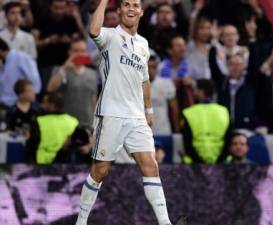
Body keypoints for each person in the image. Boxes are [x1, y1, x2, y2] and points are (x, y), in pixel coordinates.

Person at [75, 1, 175, 225]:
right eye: (126, 5)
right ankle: (81, 221)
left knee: (150, 165)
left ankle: (165, 222)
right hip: (110, 113)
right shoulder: (109, 36)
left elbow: (145, 79)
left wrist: (148, 110)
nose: (131, 8)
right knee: (100, 170)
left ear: (140, 11)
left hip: (137, 116)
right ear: (119, 11)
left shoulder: (143, 44)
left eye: (135, 5)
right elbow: (93, 31)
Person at [47, 38, 98, 126]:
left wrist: (95, 121)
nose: (80, 54)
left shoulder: (93, 73)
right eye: (76, 51)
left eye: (83, 51)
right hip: (66, 123)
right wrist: (64, 67)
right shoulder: (61, 71)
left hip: (88, 122)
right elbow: (50, 89)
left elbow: (93, 99)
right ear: (70, 52)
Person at [182, 79, 230, 164]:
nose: (194, 92)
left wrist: (200, 163)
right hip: (221, 163)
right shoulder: (224, 111)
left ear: (201, 91)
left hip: (194, 164)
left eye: (195, 89)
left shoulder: (188, 112)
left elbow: (187, 142)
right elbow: (228, 140)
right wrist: (218, 162)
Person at [26, 92, 79, 164]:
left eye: (44, 102)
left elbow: (31, 146)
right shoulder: (74, 122)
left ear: (52, 105)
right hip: (67, 163)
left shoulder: (39, 121)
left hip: (42, 162)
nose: (42, 105)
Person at [0, 38, 41, 107]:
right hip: (5, 105)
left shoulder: (21, 57)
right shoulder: (2, 64)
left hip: (21, 105)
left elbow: (34, 79)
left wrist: (30, 100)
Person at [149, 53, 180, 134]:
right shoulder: (135, 85)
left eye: (153, 67)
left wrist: (176, 128)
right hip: (144, 133)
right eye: (148, 67)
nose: (150, 70)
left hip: (163, 131)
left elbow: (174, 108)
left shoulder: (167, 83)